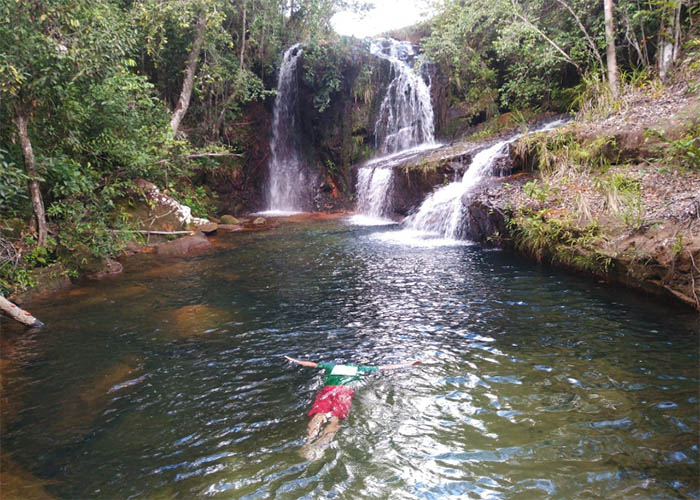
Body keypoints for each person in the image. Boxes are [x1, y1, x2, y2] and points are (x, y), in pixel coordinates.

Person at [284, 355, 420, 459]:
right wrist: (409, 364)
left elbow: (309, 364)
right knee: (334, 419)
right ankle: (320, 448)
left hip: (327, 390)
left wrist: (293, 360)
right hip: (344, 392)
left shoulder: (330, 367)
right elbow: (384, 367)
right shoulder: (359, 368)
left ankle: (307, 443)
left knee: (319, 415)